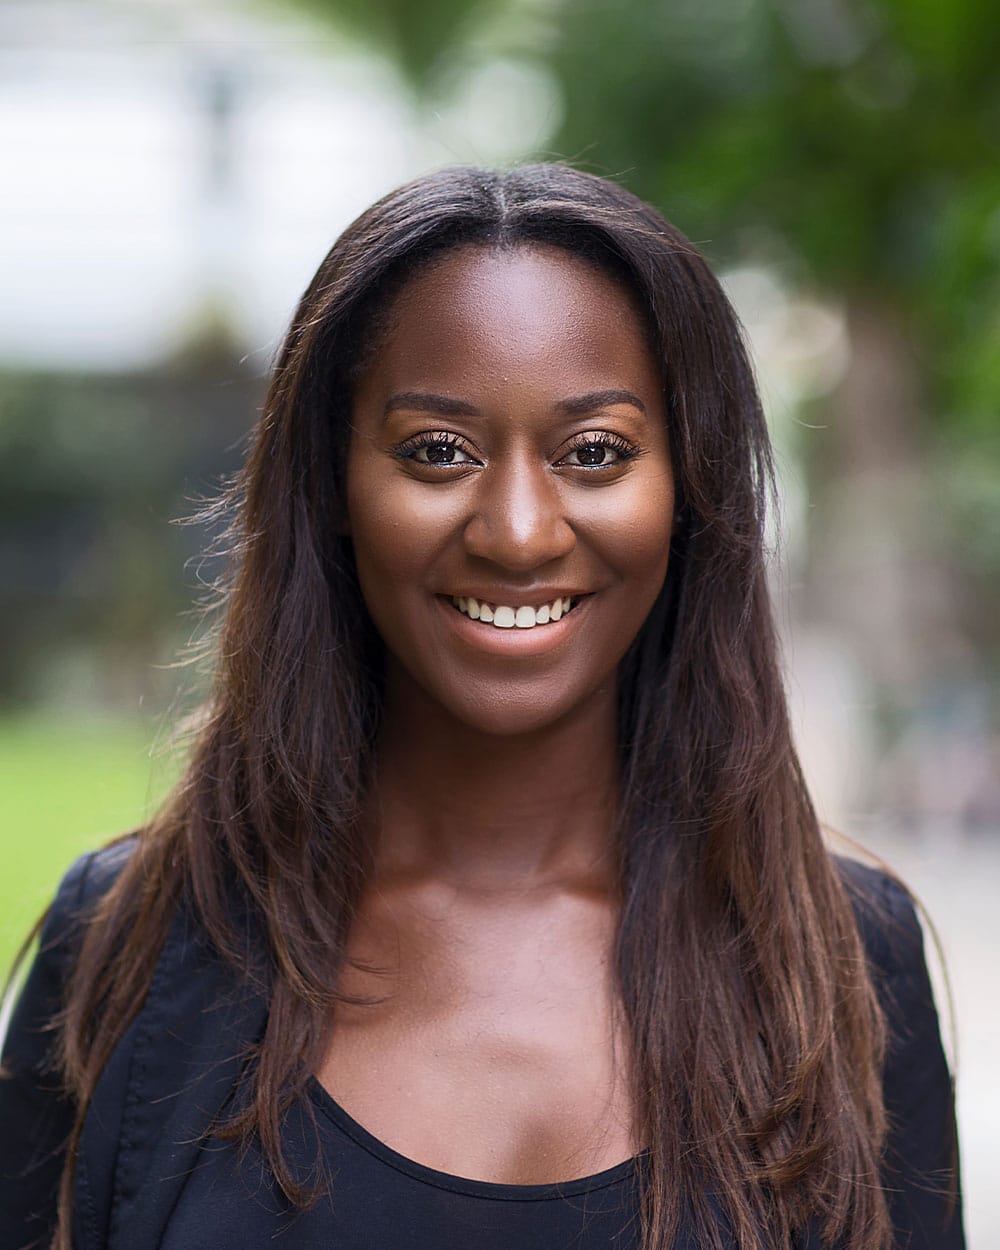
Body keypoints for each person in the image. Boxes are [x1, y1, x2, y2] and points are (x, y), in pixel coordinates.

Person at [1, 164, 962, 1250]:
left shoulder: (842, 963)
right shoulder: (130, 940)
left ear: (689, 489)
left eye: (594, 452)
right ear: (333, 485)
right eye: (437, 451)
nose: (515, 530)